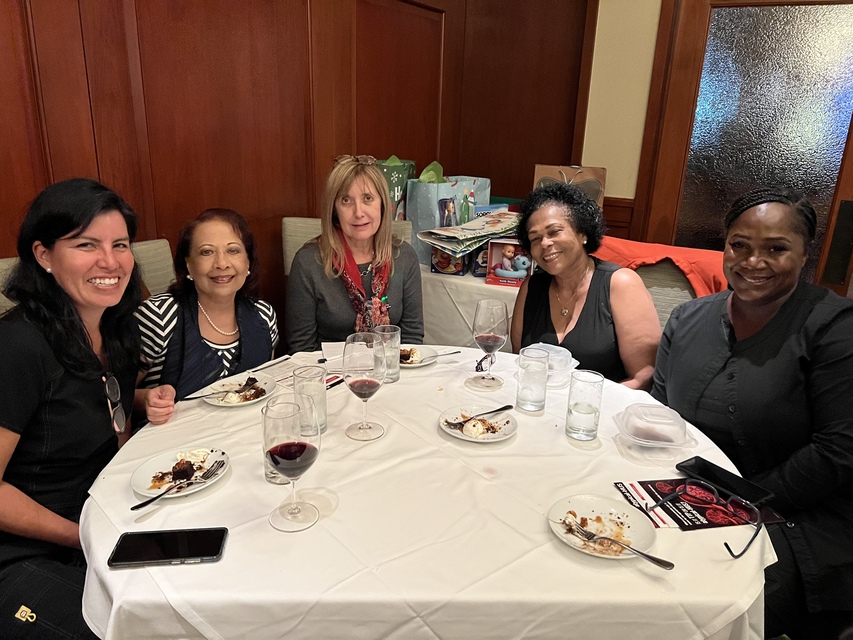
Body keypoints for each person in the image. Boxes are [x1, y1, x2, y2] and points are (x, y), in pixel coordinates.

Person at [651, 187, 853, 639]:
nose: (753, 262)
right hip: (692, 499)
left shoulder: (835, 328)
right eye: (739, 245)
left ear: (805, 255)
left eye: (776, 249)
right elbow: (660, 415)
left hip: (802, 516)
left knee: (692, 605)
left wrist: (735, 503)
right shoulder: (686, 319)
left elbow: (839, 450)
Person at [0, 178, 141, 639]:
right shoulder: (19, 344)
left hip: (100, 527)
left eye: (120, 244)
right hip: (24, 553)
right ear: (43, 255)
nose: (110, 261)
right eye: (86, 245)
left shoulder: (115, 328)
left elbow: (90, 408)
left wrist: (144, 398)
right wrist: (82, 536)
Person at [511, 183, 660, 389]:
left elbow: (644, 375)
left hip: (604, 405)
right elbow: (519, 361)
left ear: (583, 234)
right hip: (540, 403)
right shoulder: (531, 287)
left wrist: (588, 401)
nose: (544, 243)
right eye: (535, 238)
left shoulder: (621, 284)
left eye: (554, 232)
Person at [135, 209, 278, 424]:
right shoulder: (159, 316)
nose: (222, 263)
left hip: (246, 434)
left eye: (233, 250)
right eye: (207, 252)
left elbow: (265, 387)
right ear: (188, 264)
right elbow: (112, 397)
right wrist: (146, 399)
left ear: (248, 262)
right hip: (172, 439)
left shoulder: (264, 315)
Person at [286, 154, 424, 353]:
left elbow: (412, 339)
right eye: (346, 200)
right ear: (334, 209)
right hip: (329, 370)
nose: (358, 212)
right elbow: (302, 349)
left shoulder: (404, 257)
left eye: (368, 198)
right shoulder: (308, 262)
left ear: (382, 205)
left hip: (391, 367)